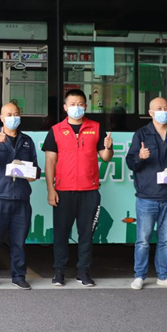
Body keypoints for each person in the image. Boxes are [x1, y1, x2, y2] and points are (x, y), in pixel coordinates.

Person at [43, 88, 113, 287]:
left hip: (89, 191)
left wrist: (108, 147)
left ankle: (83, 271)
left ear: (86, 106)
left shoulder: (96, 128)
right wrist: (51, 189)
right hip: (63, 191)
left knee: (86, 235)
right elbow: (50, 162)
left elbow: (105, 157)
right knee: (61, 234)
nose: (77, 107)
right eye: (73, 104)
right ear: (65, 107)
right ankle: (59, 271)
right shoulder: (56, 130)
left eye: (80, 104)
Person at [126, 97, 167, 289]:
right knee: (143, 240)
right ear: (151, 113)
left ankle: (163, 275)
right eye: (159, 108)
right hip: (147, 196)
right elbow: (130, 162)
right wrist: (140, 157)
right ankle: (139, 276)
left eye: (166, 108)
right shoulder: (142, 134)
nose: (163, 111)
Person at [0, 103, 39, 290]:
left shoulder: (27, 141)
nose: (13, 118)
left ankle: (18, 276)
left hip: (21, 198)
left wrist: (32, 174)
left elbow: (35, 170)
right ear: (2, 118)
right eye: (9, 114)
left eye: (16, 114)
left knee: (18, 241)